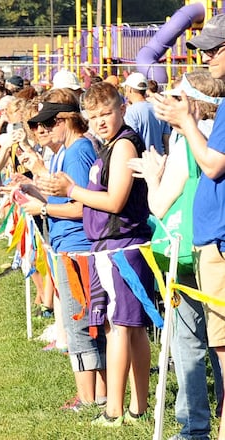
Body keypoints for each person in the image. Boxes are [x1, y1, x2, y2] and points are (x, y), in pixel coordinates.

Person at [40, 81, 153, 427]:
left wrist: (72, 190)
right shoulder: (109, 145)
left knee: (120, 328)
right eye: (94, 116)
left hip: (123, 246)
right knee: (128, 327)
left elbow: (115, 202)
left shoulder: (123, 145)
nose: (101, 121)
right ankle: (136, 407)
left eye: (107, 113)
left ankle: (115, 410)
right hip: (112, 246)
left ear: (122, 109)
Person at [129, 70, 224, 440]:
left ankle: (194, 426)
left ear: (190, 104)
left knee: (189, 342)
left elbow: (159, 204)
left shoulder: (188, 141)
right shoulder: (218, 134)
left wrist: (153, 175)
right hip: (214, 244)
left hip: (186, 252)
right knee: (219, 340)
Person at [154, 17, 225, 437]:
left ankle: (202, 428)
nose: (206, 56)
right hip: (207, 243)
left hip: (213, 245)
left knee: (216, 347)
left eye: (215, 48)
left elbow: (213, 166)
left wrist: (185, 125)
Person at [19, 90, 107, 412]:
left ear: (67, 120)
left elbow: (82, 206)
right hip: (68, 244)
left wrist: (42, 209)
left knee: (79, 324)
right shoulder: (71, 150)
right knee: (81, 323)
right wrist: (35, 191)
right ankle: (95, 395)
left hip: (77, 246)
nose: (44, 130)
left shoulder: (78, 151)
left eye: (50, 122)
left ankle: (88, 398)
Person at [122, 72, 170, 154]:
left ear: (130, 89)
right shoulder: (159, 109)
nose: (125, 94)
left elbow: (130, 141)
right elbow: (166, 140)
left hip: (142, 159)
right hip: (160, 158)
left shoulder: (130, 112)